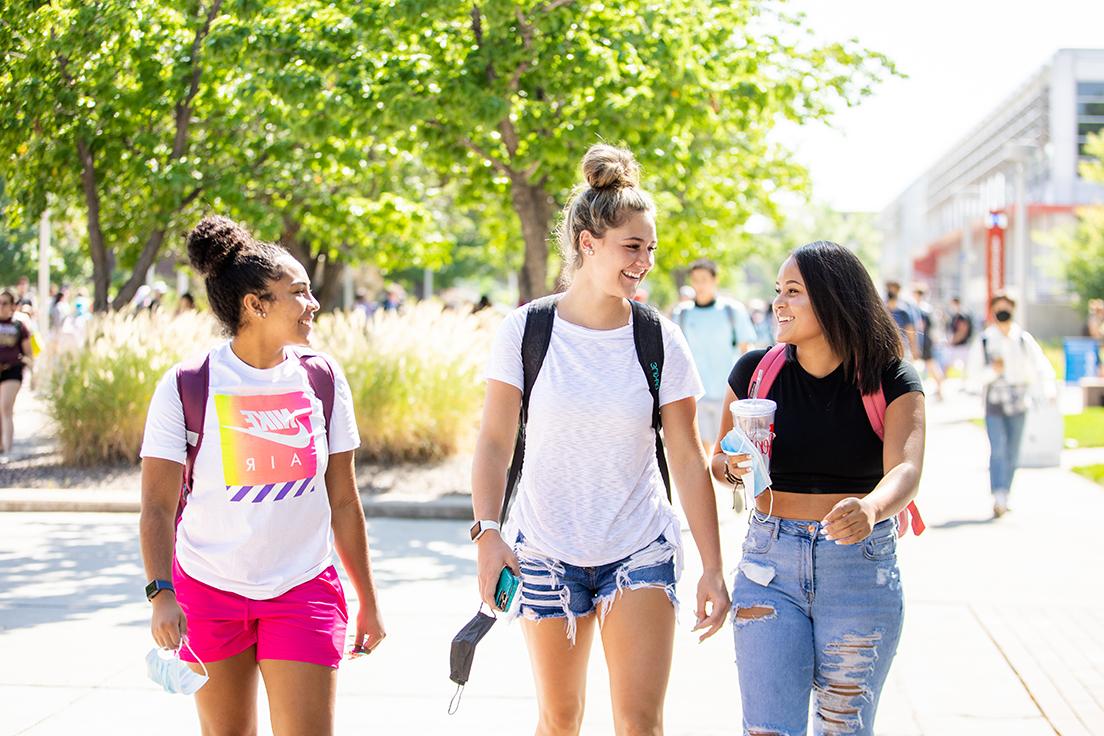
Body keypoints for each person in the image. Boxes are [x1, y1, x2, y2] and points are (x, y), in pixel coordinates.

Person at [471, 144, 729, 735]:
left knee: (639, 723)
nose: (644, 263)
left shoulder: (659, 338)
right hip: (543, 551)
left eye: (651, 249)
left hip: (639, 547)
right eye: (631, 247)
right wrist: (487, 534)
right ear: (588, 244)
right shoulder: (527, 330)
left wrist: (713, 567)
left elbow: (688, 459)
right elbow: (493, 442)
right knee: (559, 721)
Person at [139, 215, 385, 735]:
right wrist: (161, 593)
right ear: (256, 305)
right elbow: (157, 507)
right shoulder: (188, 384)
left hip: (302, 587)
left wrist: (368, 599)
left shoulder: (322, 377)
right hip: (208, 590)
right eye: (298, 293)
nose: (312, 303)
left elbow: (343, 500)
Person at [715, 241, 925, 736]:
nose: (778, 303)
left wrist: (871, 508)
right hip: (770, 564)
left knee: (844, 729)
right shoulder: (754, 373)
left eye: (793, 291)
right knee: (768, 729)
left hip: (858, 569)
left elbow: (906, 471)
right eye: (777, 291)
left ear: (834, 298)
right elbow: (718, 460)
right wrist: (731, 466)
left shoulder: (890, 377)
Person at [966, 292, 1055, 518]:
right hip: (994, 401)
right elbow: (972, 375)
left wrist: (1047, 390)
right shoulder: (985, 340)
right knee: (998, 449)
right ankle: (998, 495)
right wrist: (992, 372)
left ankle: (1006, 491)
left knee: (1013, 450)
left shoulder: (1023, 339)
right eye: (999, 308)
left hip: (1019, 401)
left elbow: (1040, 366)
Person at [673, 258, 756, 454]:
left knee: (728, 450)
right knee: (701, 451)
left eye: (704, 279)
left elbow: (746, 348)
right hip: (695, 393)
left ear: (714, 279)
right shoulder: (682, 314)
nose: (699, 284)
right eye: (695, 279)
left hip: (728, 392)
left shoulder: (731, 311)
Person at [0, 289, 34, 464]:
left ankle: (8, 449)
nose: (1, 307)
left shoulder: (19, 326)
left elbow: (28, 352)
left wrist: (32, 372)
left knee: (5, 407)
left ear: (13, 306)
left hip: (12, 370)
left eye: (5, 303)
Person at [912, 284, 944, 399]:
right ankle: (939, 389)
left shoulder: (921, 310)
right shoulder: (926, 308)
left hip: (924, 342)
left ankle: (940, 389)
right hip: (925, 341)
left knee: (931, 366)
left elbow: (921, 327)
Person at [885, 281, 919, 360]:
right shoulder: (882, 310)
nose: (891, 291)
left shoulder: (903, 312)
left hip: (900, 350)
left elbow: (910, 332)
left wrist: (914, 349)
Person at [944, 296, 974, 373]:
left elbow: (962, 331)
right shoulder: (955, 316)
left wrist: (952, 342)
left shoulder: (962, 316)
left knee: (966, 367)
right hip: (957, 346)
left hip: (962, 346)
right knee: (947, 365)